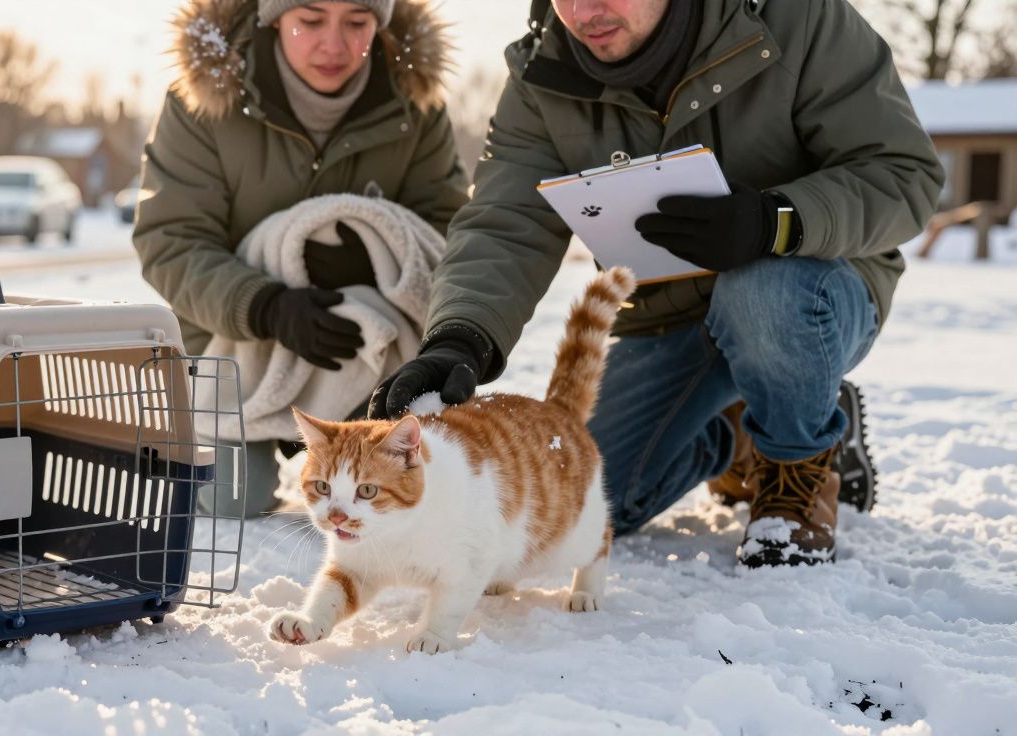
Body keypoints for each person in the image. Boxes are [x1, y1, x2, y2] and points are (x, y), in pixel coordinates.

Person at [369, 0, 943, 566]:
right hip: (668, 313)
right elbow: (505, 222)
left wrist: (775, 221)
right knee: (585, 496)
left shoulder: (796, 19)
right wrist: (460, 335)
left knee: (764, 293)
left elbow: (904, 175)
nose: (583, 10)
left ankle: (798, 466)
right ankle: (740, 435)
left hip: (808, 290)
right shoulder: (543, 72)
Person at [133, 0, 468, 516]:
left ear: (379, 24)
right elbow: (170, 240)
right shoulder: (200, 101)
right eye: (310, 21)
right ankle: (190, 434)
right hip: (235, 349)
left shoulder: (415, 103)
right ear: (274, 18)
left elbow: (446, 236)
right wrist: (265, 306)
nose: (333, 45)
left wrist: (374, 257)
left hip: (365, 350)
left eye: (356, 22)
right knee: (228, 500)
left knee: (418, 491)